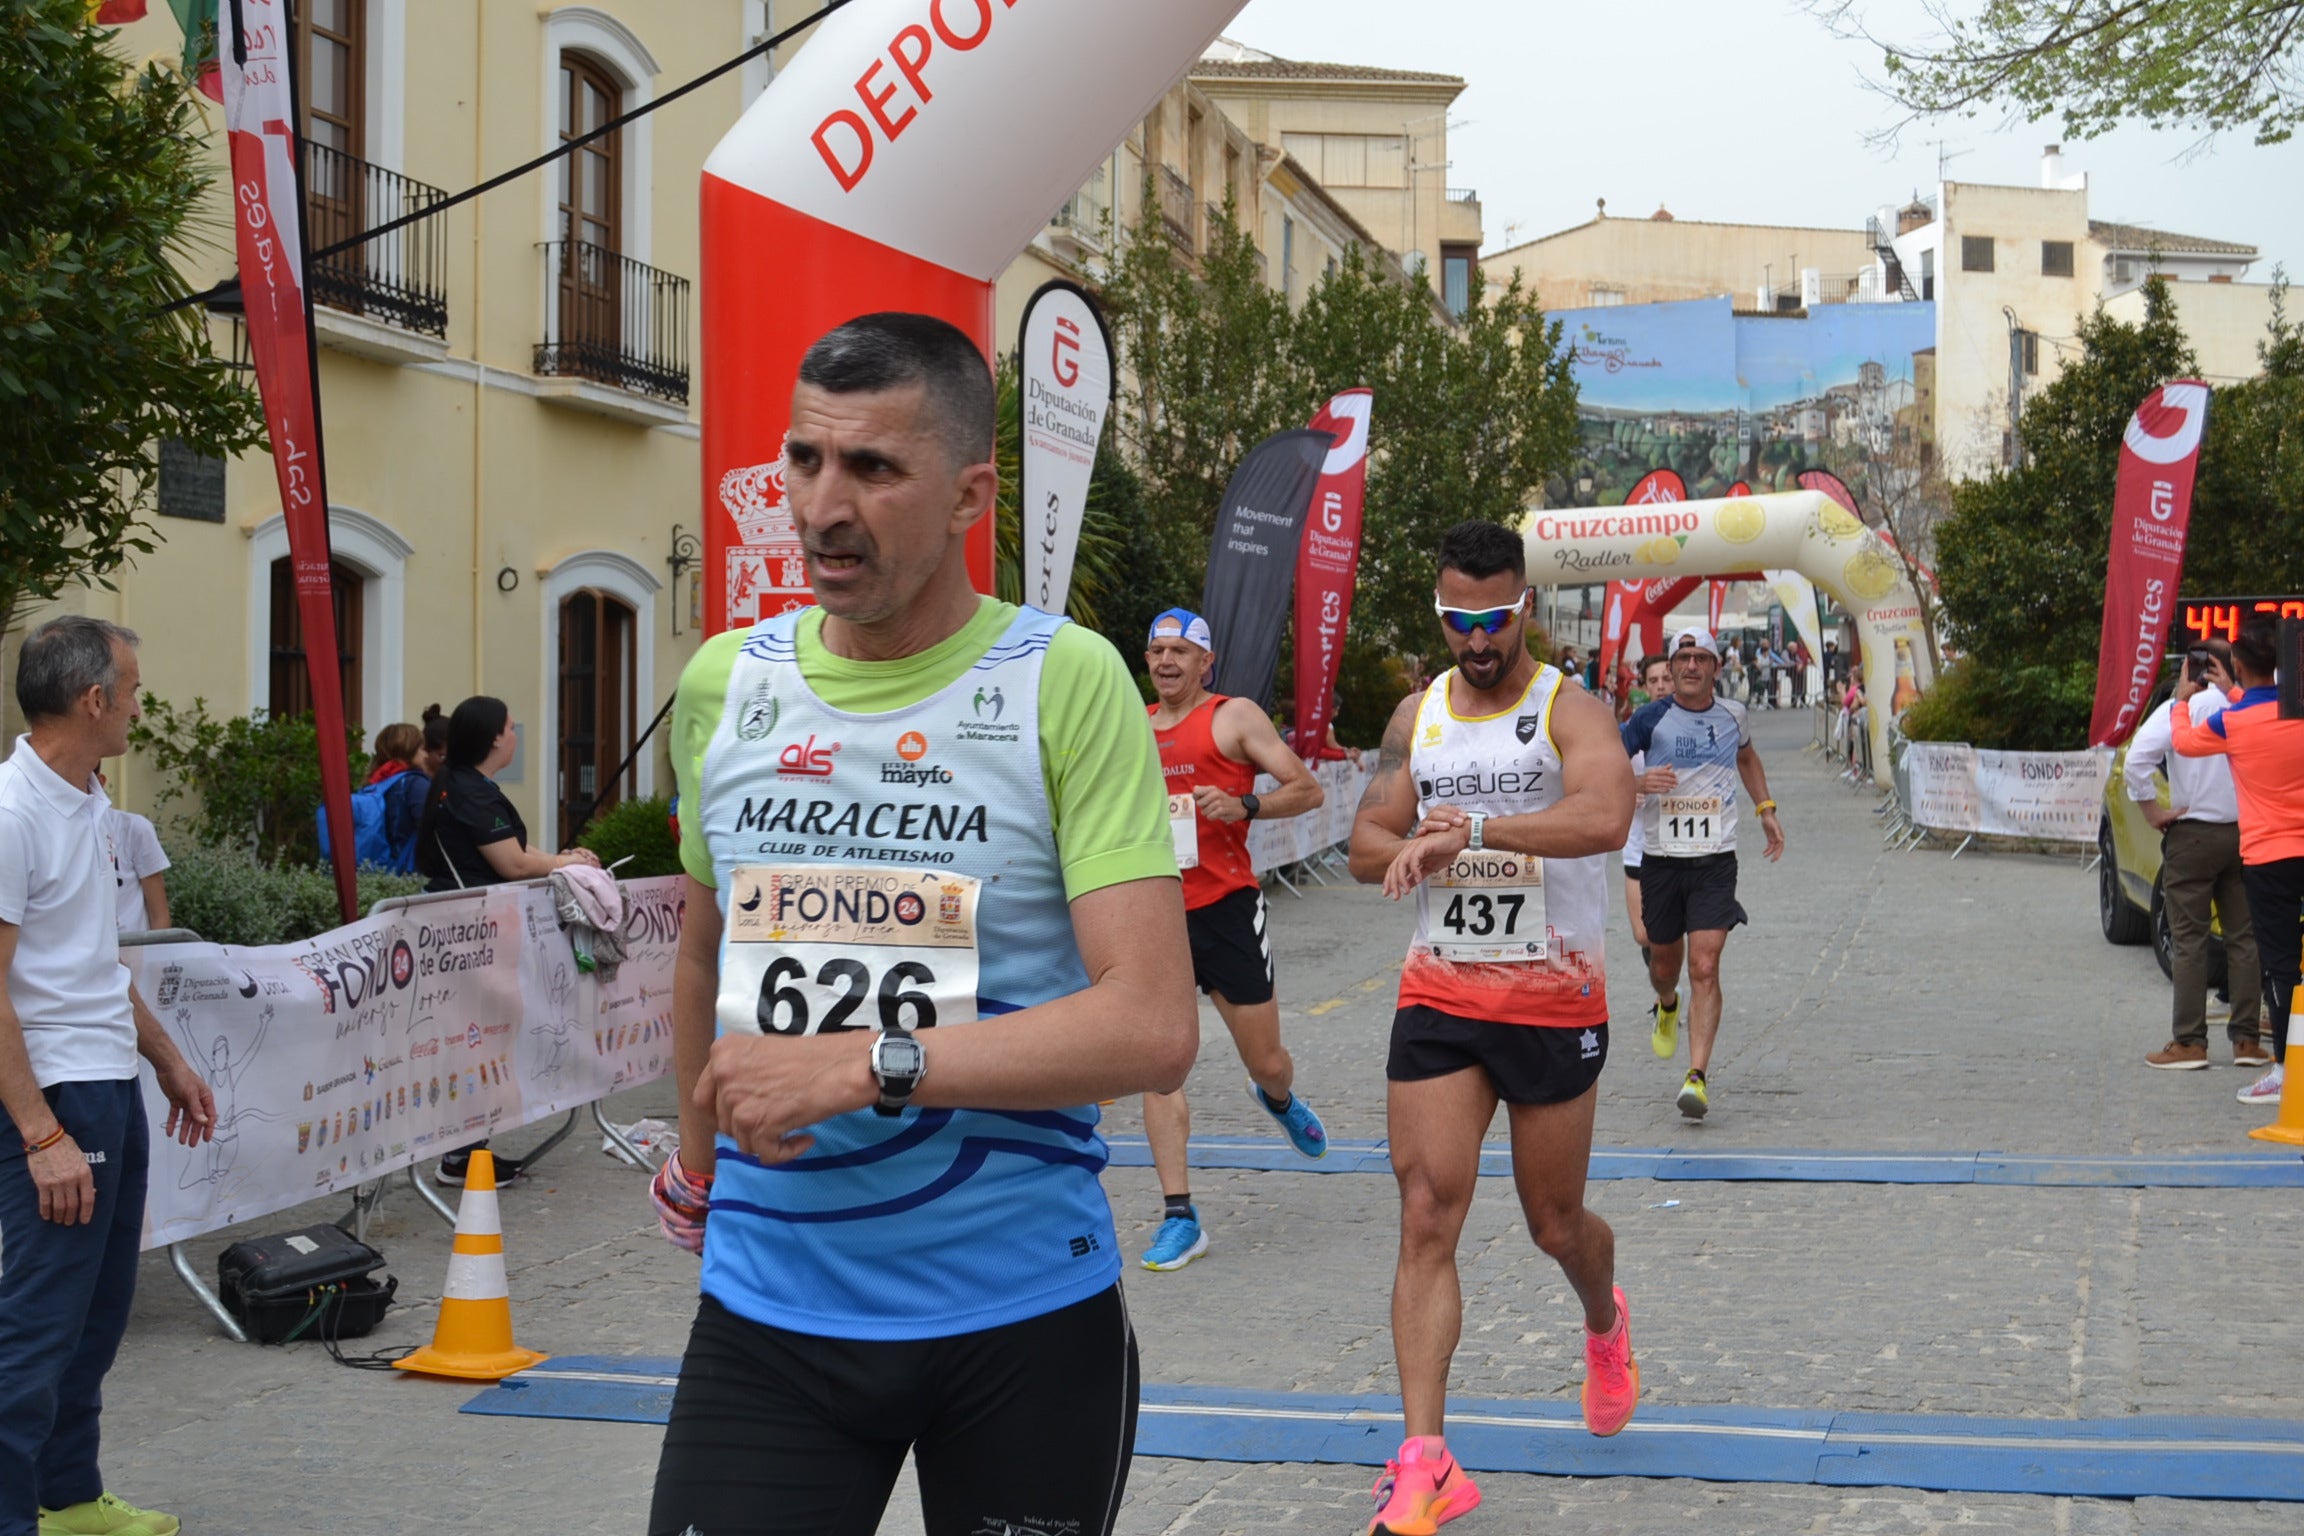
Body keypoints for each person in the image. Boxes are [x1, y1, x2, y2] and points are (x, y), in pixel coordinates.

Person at [643, 313, 1196, 1536]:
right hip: (771, 1315)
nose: (823, 507)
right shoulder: (726, 681)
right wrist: (697, 1152)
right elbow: (701, 947)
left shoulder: (1066, 678)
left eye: (874, 469)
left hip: (1017, 1322)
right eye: (804, 460)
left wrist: (864, 1065)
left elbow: (1153, 1027)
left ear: (969, 495)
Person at [1347, 520, 1639, 1536]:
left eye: (1493, 618)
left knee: (1554, 1224)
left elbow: (1604, 818)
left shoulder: (1570, 709)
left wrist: (1470, 832)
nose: (1476, 639)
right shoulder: (1418, 716)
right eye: (1457, 619)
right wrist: (1411, 847)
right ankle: (1425, 1462)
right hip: (1441, 995)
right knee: (1426, 1207)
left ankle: (1604, 1321)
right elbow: (1362, 839)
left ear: (1524, 609)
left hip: (1554, 1001)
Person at [0, 616, 215, 1536]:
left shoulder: (88, 803)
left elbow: (90, 966)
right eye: (131, 692)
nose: (137, 707)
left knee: (94, 1315)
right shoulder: (12, 814)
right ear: (93, 699)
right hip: (53, 1092)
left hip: (105, 1078)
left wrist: (165, 1057)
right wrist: (42, 1135)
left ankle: (69, 1497)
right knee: (38, 1326)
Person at [1140, 608, 1329, 1271]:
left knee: (1267, 1060)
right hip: (1157, 913)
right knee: (1159, 1063)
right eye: (1157, 651)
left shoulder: (1233, 716)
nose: (1165, 662)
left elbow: (1306, 790)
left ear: (1204, 664)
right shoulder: (1131, 726)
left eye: (1179, 652)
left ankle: (1277, 1098)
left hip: (1226, 906)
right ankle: (1179, 1214)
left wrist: (1244, 804)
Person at [416, 696, 600, 1185]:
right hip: (466, 935)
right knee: (472, 1042)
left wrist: (563, 856)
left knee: (481, 1041)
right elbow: (513, 865)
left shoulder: (468, 784)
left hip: (473, 931)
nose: (517, 736)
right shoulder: (469, 791)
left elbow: (518, 850)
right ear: (495, 737)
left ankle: (467, 1151)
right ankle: (459, 1156)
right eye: (512, 728)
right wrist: (569, 864)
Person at [1621, 627, 1785, 1119]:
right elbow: (1601, 764)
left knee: (1706, 965)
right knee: (1665, 963)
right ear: (1670, 669)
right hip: (1662, 861)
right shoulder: (1649, 718)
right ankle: (1667, 1003)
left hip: (1715, 860)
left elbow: (1747, 756)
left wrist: (1766, 808)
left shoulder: (1734, 715)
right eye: (1683, 658)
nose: (1691, 666)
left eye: (1701, 658)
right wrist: (1635, 779)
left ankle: (1697, 1076)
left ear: (1717, 667)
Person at [2172, 617, 2304, 1108]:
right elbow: (2266, 713)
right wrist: (2236, 693)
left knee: (2280, 965)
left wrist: (2183, 701)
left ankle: (2286, 1071)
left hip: (2269, 856)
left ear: (2240, 666)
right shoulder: (2297, 713)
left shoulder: (2232, 723)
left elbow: (2185, 742)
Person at [2128, 640, 2266, 1070]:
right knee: (2245, 938)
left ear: (2190, 668)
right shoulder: (2242, 709)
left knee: (2189, 939)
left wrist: (2153, 812)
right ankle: (2246, 1041)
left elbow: (2137, 761)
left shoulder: (2177, 711)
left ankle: (2189, 1042)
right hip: (2242, 834)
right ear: (2232, 668)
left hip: (2191, 834)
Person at [1623, 656, 1674, 976]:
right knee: (1643, 934)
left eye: (1666, 679)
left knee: (1670, 931)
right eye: (1653, 681)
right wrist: (1633, 787)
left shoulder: (1693, 728)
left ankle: (1665, 1000)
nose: (1660, 686)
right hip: (1638, 845)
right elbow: (1604, 778)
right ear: (1644, 687)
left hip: (1678, 845)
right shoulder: (1630, 730)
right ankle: (1669, 991)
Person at [96, 778, 169, 934]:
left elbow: (159, 915)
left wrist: (157, 954)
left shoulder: (133, 828)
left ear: (100, 782)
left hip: (134, 947)